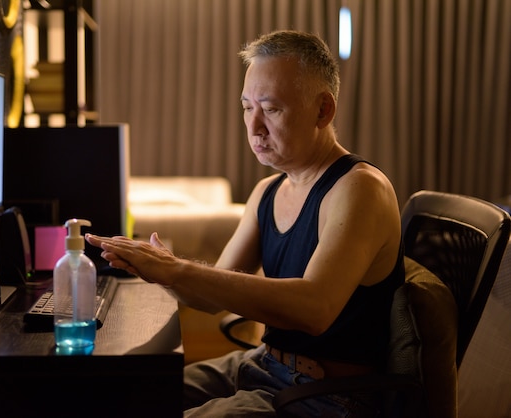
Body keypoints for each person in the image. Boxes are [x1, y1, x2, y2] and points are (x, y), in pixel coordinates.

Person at [87, 30, 404, 417]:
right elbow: (208, 296)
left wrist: (179, 269)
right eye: (246, 107)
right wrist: (157, 268)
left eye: (270, 109)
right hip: (263, 365)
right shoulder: (267, 192)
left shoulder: (359, 189)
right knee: (119, 395)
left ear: (323, 110)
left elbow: (315, 309)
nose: (254, 128)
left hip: (328, 394)